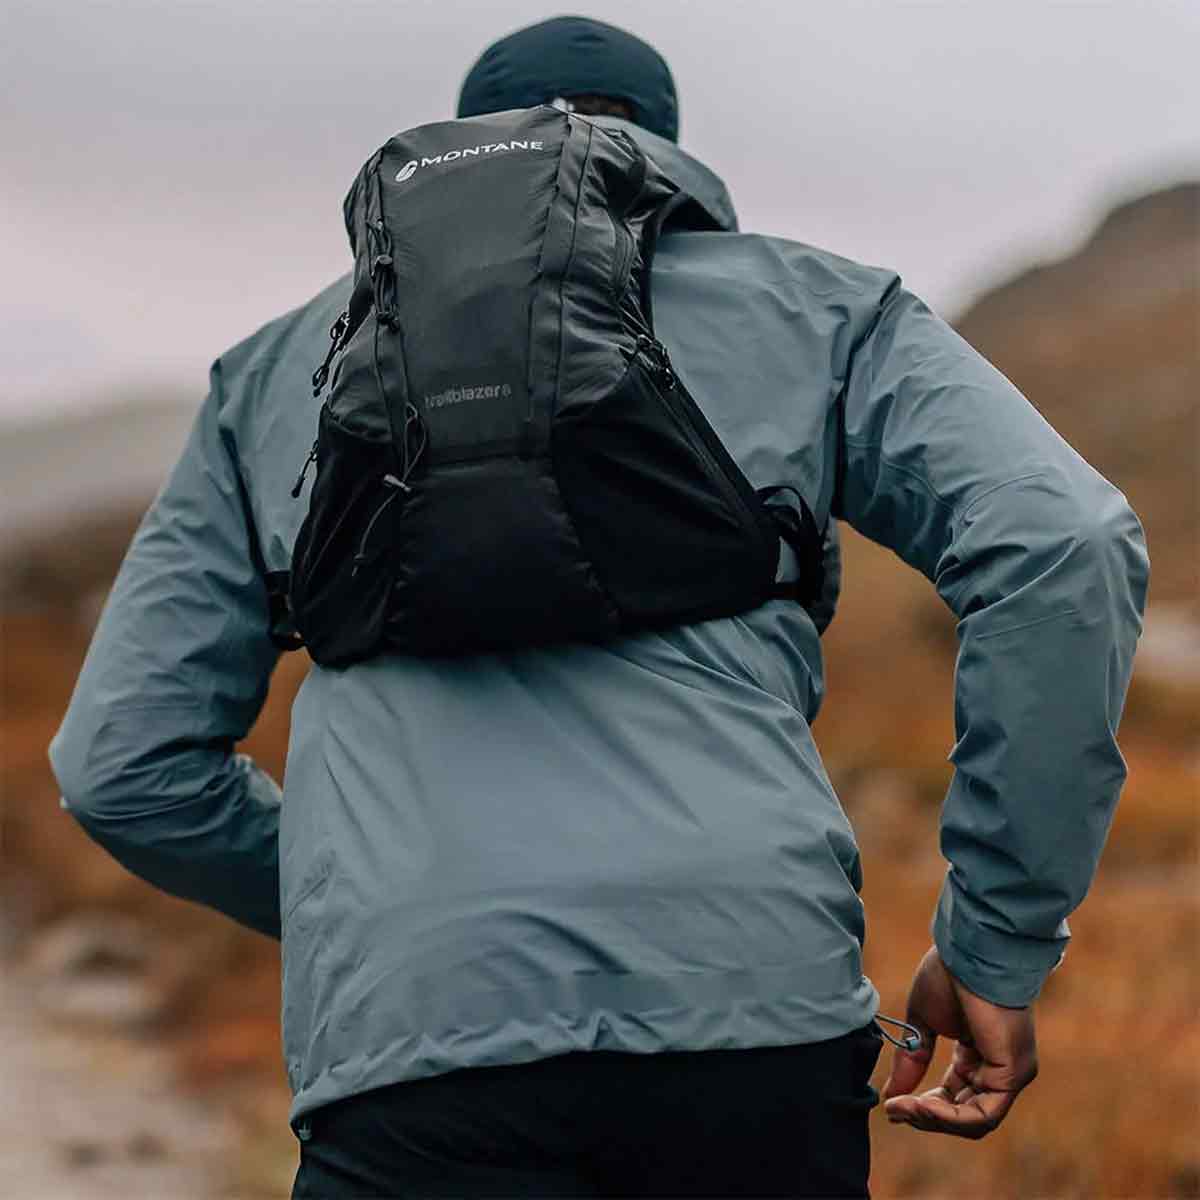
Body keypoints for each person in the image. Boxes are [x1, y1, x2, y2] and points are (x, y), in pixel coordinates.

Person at [49, 15, 1149, 1199]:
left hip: (412, 1046)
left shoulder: (270, 376)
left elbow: (122, 761)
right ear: (660, 155)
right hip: (746, 1015)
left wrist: (354, 910)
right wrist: (996, 942)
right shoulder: (821, 310)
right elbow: (1063, 544)